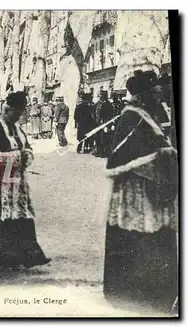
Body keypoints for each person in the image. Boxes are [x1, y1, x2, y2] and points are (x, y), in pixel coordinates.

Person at [103, 70, 178, 314]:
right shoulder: (131, 117)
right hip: (134, 191)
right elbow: (120, 157)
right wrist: (160, 158)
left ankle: (156, 290)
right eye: (155, 94)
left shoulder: (148, 115)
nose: (160, 97)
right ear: (144, 95)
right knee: (138, 238)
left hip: (153, 188)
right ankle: (133, 291)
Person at [0, 91, 51, 271]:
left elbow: (25, 146)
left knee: (18, 217)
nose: (19, 117)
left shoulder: (17, 128)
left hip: (14, 183)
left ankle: (23, 256)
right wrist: (15, 157)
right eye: (17, 114)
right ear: (8, 111)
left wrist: (26, 154)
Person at [94, 91, 115, 157]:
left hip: (102, 122)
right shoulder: (110, 104)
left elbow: (100, 114)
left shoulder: (103, 104)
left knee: (101, 138)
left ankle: (102, 153)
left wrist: (99, 121)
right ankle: (106, 152)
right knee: (107, 138)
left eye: (101, 95)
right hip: (109, 122)